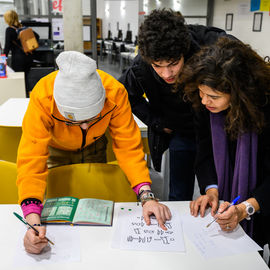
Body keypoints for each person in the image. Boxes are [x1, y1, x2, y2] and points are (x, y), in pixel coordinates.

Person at [17, 51, 171, 254]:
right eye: (74, 121)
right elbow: (32, 156)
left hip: (95, 147)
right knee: (58, 212)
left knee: (94, 208)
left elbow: (128, 147)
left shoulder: (115, 92)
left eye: (91, 119)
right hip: (56, 150)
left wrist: (146, 196)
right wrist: (32, 221)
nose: (83, 128)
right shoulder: (42, 96)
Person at [119, 9, 233, 201]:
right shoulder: (143, 62)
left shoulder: (212, 45)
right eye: (157, 66)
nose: (166, 74)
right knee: (179, 193)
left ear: (184, 50)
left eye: (173, 63)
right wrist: (156, 122)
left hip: (217, 127)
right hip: (180, 130)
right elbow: (126, 94)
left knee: (224, 190)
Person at [178, 37, 270, 251]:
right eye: (201, 92)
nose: (203, 101)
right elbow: (205, 150)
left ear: (239, 94)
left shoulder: (265, 110)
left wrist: (246, 207)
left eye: (213, 96)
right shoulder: (205, 105)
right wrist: (211, 189)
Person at [3, 10, 39, 96]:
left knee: (20, 79)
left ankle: (23, 96)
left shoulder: (9, 30)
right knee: (25, 77)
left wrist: (3, 59)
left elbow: (7, 46)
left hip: (18, 59)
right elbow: (37, 36)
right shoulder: (24, 27)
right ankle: (27, 95)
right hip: (28, 57)